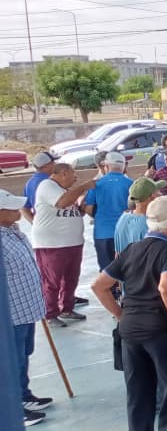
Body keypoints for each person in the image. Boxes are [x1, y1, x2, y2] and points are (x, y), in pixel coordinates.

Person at [91, 196, 167, 431]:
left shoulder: (131, 249)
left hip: (130, 332)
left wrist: (121, 315)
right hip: (162, 331)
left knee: (138, 396)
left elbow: (99, 285)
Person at [1, 189, 53, 426]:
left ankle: (23, 395)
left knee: (23, 355)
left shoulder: (13, 232)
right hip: (11, 313)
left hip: (27, 308)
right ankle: (13, 407)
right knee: (12, 360)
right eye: (11, 207)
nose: (18, 210)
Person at [33, 163, 94, 327]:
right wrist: (84, 187)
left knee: (71, 278)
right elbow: (61, 203)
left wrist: (81, 207)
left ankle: (67, 307)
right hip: (53, 244)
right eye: (73, 174)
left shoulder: (64, 191)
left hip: (72, 243)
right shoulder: (47, 186)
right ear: (64, 173)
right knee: (52, 280)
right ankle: (50, 313)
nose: (75, 178)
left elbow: (71, 210)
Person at [84, 152, 133, 275]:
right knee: (127, 270)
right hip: (126, 233)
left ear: (106, 166)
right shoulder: (131, 184)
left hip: (103, 232)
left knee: (107, 271)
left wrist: (99, 217)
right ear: (123, 166)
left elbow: (88, 208)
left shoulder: (97, 184)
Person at [21, 152, 58, 224]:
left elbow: (24, 209)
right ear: (45, 166)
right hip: (55, 224)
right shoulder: (51, 181)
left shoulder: (29, 183)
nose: (56, 164)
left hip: (42, 224)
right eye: (53, 162)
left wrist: (35, 224)